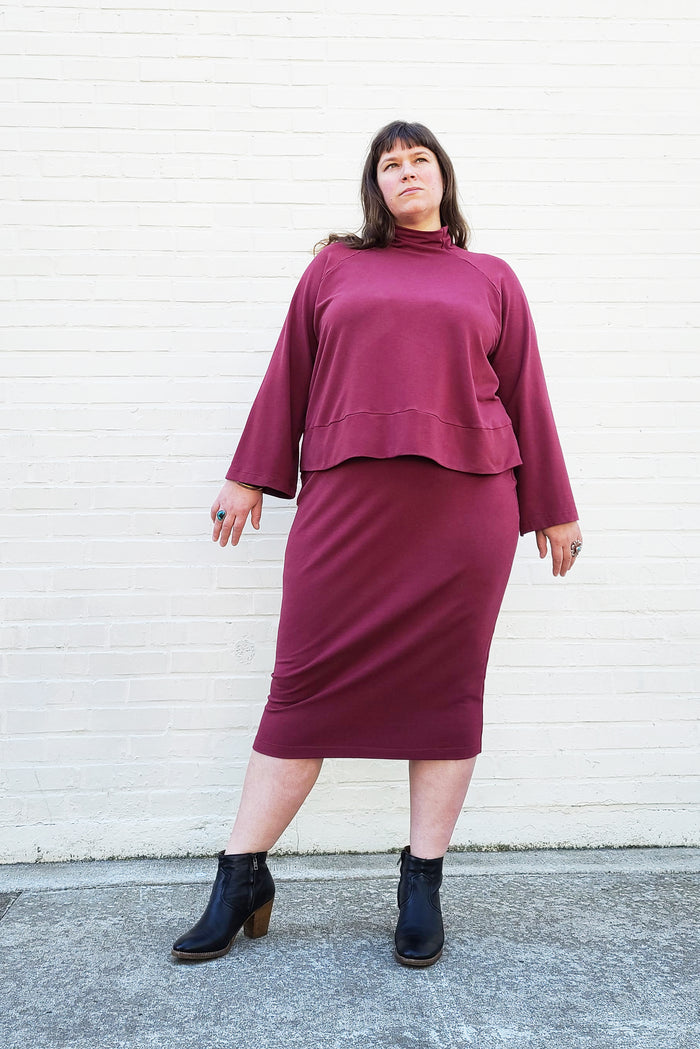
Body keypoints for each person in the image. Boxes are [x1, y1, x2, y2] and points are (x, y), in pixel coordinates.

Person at [171, 120, 582, 968]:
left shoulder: (491, 277)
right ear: (376, 186)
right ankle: (240, 873)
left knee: (445, 692)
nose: (406, 172)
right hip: (347, 502)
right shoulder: (335, 268)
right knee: (301, 691)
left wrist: (553, 505)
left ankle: (422, 882)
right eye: (390, 164)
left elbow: (525, 394)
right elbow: (289, 370)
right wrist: (249, 476)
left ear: (443, 177)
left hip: (464, 510)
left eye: (419, 159)